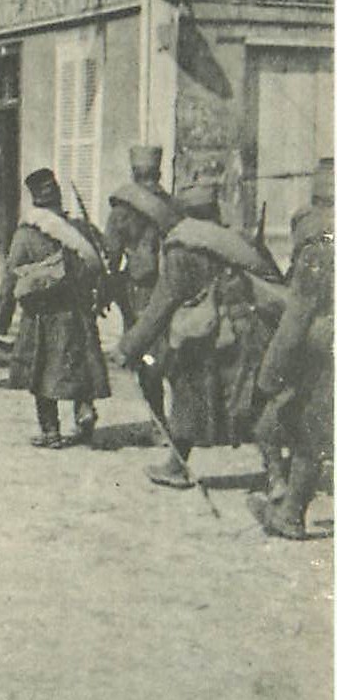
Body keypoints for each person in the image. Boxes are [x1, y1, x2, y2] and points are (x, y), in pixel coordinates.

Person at [115, 177, 280, 486]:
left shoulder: (182, 247)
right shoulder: (232, 240)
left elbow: (161, 306)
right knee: (249, 403)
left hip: (201, 337)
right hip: (241, 332)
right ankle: (277, 475)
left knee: (188, 400)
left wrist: (128, 347)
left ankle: (176, 468)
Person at [248, 159, 334, 539]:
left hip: (325, 350)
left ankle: (290, 512)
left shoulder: (320, 242)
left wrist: (270, 374)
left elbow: (299, 312)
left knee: (310, 427)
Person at [0, 167, 110, 444]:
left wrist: (1, 319)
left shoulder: (26, 234)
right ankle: (84, 410)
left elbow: (10, 278)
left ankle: (51, 431)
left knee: (42, 372)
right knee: (77, 365)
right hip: (79, 311)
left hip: (43, 315)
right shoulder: (80, 228)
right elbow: (101, 263)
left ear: (34, 199)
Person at [103, 144, 177, 424]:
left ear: (134, 173)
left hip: (140, 290)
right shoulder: (172, 205)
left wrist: (108, 286)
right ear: (158, 173)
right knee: (172, 350)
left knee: (146, 352)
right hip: (174, 286)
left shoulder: (123, 211)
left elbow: (111, 254)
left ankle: (158, 420)